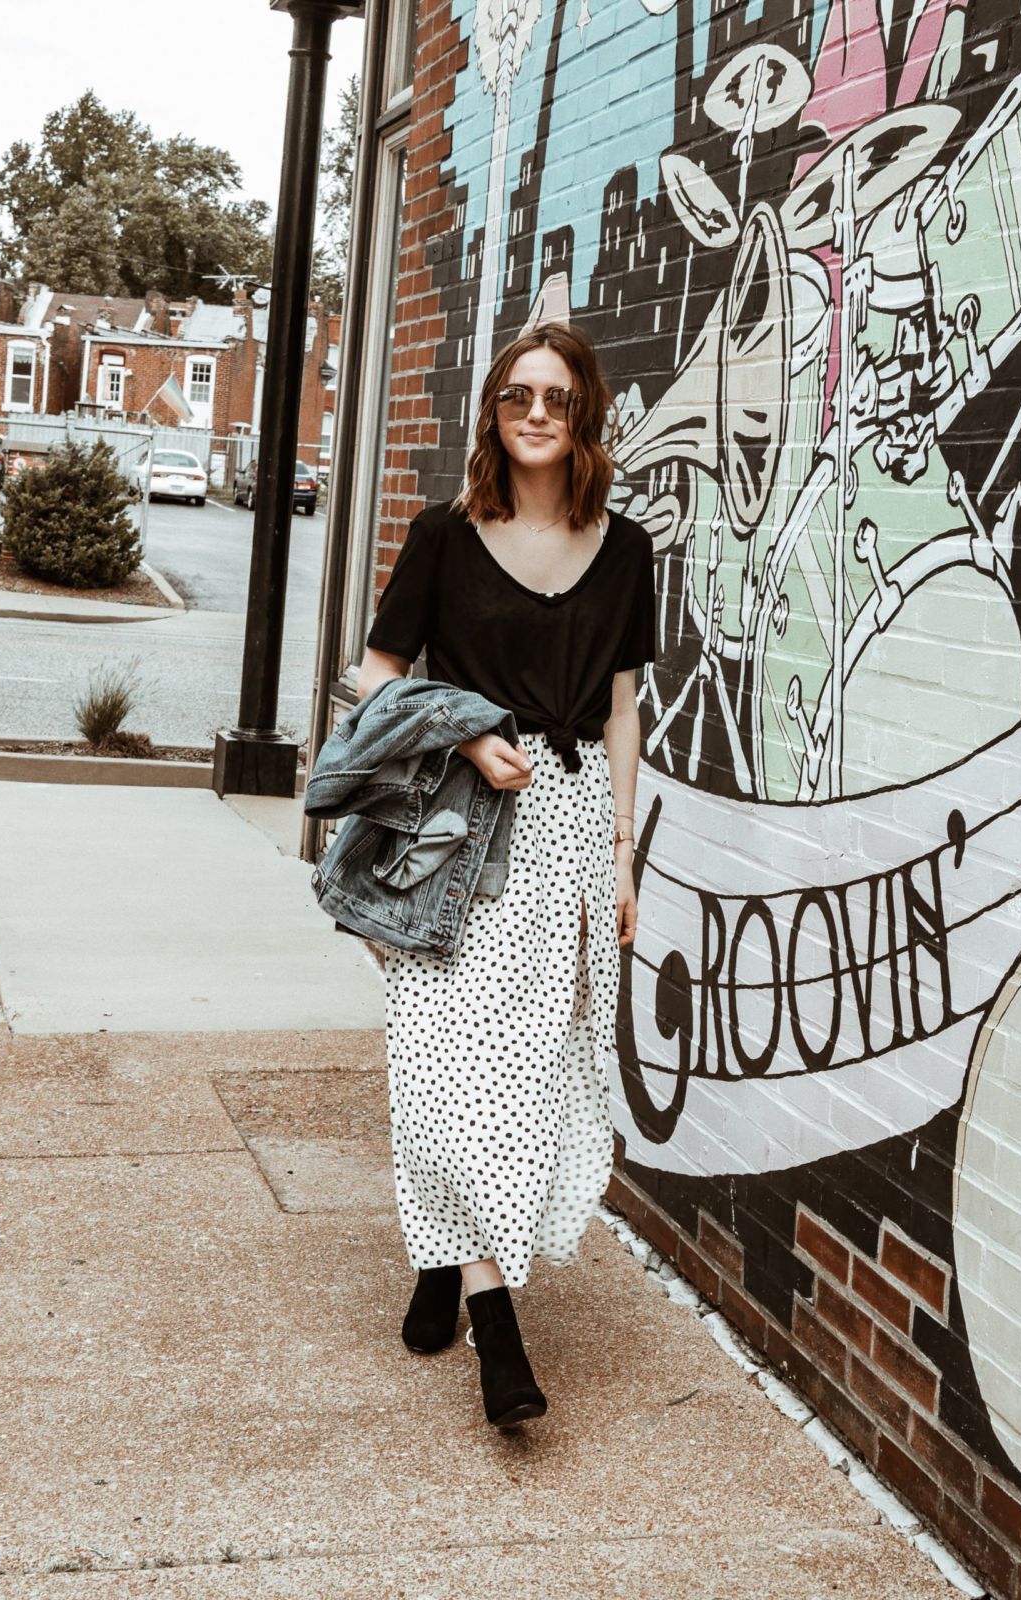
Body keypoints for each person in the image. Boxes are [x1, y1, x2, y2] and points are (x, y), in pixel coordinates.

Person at [356, 321, 656, 1427]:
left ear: (584, 417)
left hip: (570, 830)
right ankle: (496, 1325)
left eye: (558, 399)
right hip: (456, 824)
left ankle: (442, 1258)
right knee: (448, 1052)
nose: (536, 413)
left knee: (524, 1062)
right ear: (493, 408)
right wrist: (468, 733)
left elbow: (622, 709)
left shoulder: (623, 550)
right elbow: (377, 669)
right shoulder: (443, 534)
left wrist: (621, 857)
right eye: (517, 395)